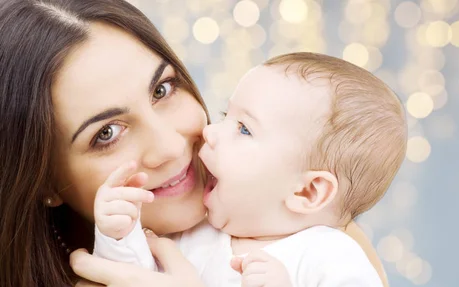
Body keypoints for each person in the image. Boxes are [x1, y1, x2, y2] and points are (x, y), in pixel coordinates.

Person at [0, 0, 388, 286]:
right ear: (43, 180)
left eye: (163, 89)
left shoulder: (321, 240)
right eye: (106, 133)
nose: (170, 147)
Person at [92, 52, 407, 286]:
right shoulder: (192, 235)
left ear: (307, 191)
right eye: (225, 115)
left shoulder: (330, 256)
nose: (210, 133)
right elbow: (130, 280)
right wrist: (119, 236)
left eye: (243, 129)